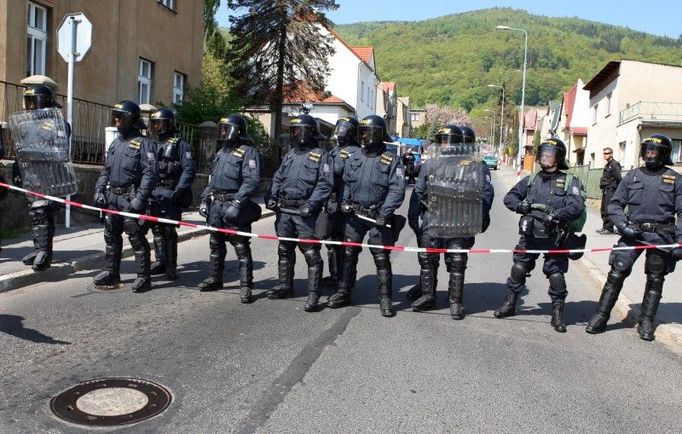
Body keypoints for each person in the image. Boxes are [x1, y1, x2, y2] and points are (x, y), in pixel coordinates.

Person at [586, 135, 682, 341]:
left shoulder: (675, 179)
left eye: (654, 151)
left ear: (664, 154)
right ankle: (601, 316)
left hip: (661, 235)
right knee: (617, 272)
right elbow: (615, 204)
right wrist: (622, 226)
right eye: (647, 150)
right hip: (633, 233)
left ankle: (646, 321)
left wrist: (680, 242)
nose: (649, 154)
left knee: (656, 278)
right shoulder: (632, 176)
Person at [494, 138, 585, 332]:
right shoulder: (532, 179)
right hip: (531, 234)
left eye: (549, 155)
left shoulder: (570, 181)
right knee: (519, 267)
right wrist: (520, 206)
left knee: (556, 274)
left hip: (556, 236)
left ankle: (558, 315)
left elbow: (577, 206)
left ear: (558, 158)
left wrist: (559, 215)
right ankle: (509, 304)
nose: (545, 158)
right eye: (543, 154)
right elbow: (509, 197)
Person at [409, 125, 494, 319]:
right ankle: (428, 295)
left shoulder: (475, 164)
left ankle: (455, 302)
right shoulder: (430, 164)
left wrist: (479, 218)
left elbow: (486, 193)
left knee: (457, 262)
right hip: (433, 218)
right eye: (441, 140)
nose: (444, 145)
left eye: (448, 140)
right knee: (428, 259)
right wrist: (412, 215)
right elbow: (418, 192)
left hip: (459, 220)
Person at [326, 114, 406, 317]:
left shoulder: (391, 159)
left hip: (377, 217)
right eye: (361, 131)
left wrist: (384, 213)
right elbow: (345, 184)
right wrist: (343, 203)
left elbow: (397, 190)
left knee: (381, 257)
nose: (364, 136)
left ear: (378, 134)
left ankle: (385, 298)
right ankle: (344, 291)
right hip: (354, 216)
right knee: (348, 254)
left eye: (367, 132)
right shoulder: (354, 157)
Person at [266, 114, 332, 311]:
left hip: (306, 213)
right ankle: (285, 285)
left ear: (310, 132)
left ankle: (313, 295)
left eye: (300, 130)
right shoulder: (290, 154)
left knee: (311, 253)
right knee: (284, 249)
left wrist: (311, 205)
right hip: (285, 210)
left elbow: (325, 184)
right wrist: (272, 196)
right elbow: (278, 177)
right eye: (294, 130)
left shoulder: (322, 155)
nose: (296, 134)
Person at [93, 100, 159, 292]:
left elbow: (151, 173)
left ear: (130, 119)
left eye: (120, 117)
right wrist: (99, 190)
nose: (116, 121)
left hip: (131, 197)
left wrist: (140, 198)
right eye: (115, 117)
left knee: (136, 237)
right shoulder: (115, 143)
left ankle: (143, 277)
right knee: (111, 235)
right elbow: (106, 170)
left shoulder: (145, 144)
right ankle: (112, 272)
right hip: (113, 197)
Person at [197, 114, 261, 303]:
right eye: (221, 129)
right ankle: (215, 279)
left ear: (238, 131)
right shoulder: (221, 152)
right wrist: (204, 200)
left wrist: (237, 204)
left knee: (240, 246)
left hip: (235, 204)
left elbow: (251, 181)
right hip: (217, 204)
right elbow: (213, 179)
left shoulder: (248, 152)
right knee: (215, 244)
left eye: (227, 129)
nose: (223, 133)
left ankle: (246, 285)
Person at [12, 85, 72, 271]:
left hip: (51, 176)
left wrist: (30, 152)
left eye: (33, 101)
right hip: (32, 177)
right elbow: (20, 151)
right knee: (35, 214)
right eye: (27, 101)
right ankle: (38, 248)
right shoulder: (25, 125)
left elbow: (59, 152)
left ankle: (45, 252)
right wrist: (17, 170)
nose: (30, 106)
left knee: (43, 212)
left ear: (44, 101)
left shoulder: (58, 124)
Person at [146, 108, 196, 280]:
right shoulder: (150, 144)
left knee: (168, 230)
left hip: (170, 193)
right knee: (156, 229)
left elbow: (189, 171)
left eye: (159, 123)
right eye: (154, 123)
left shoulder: (180, 145)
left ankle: (171, 266)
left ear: (168, 124)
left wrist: (177, 192)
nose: (156, 127)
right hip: (153, 194)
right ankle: (160, 261)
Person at [318, 116, 361, 287]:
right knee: (332, 241)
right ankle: (335, 274)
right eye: (338, 129)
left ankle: (346, 279)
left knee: (346, 244)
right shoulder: (335, 150)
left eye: (343, 129)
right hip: (332, 202)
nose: (339, 133)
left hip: (346, 202)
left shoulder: (355, 152)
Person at [596, 147, 622, 235]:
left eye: (607, 153)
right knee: (603, 209)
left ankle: (609, 228)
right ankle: (605, 226)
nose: (605, 155)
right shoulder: (608, 165)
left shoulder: (614, 164)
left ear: (611, 154)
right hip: (606, 189)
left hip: (611, 190)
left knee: (608, 209)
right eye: (604, 153)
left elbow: (619, 178)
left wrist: (618, 191)